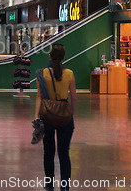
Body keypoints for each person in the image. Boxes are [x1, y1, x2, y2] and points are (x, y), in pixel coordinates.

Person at [34, 44, 77, 191]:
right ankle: (65, 186)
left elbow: (39, 96)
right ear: (63, 57)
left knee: (49, 152)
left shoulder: (42, 73)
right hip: (65, 116)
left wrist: (36, 117)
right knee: (64, 153)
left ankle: (49, 184)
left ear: (50, 56)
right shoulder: (70, 73)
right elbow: (74, 97)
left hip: (47, 116)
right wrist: (72, 114)